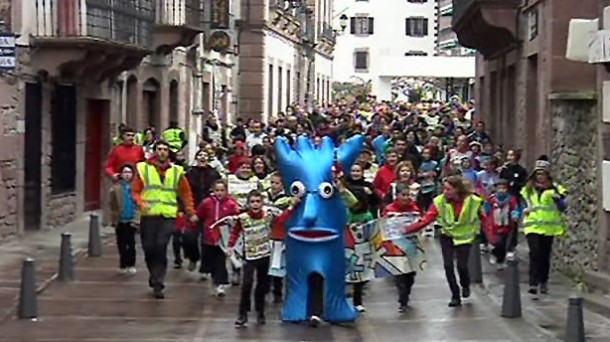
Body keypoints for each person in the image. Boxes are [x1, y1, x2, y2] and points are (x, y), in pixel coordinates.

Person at [404, 175, 483, 307]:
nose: (445, 192)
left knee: (462, 266)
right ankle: (455, 295)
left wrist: (492, 236)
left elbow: (484, 217)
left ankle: (465, 284)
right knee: (448, 266)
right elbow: (426, 220)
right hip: (447, 236)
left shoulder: (473, 201)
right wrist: (407, 229)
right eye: (444, 189)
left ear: (457, 190)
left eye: (448, 189)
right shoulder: (439, 201)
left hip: (465, 237)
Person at [132, 140, 197, 299]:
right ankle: (153, 274)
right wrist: (141, 203)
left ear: (169, 153)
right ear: (155, 151)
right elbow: (135, 191)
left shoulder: (176, 171)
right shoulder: (144, 169)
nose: (162, 152)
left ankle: (158, 282)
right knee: (149, 248)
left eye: (165, 150)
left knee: (161, 246)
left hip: (168, 215)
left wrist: (190, 211)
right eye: (159, 149)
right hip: (149, 215)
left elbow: (185, 193)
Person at [227, 190, 295, 327]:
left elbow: (282, 220)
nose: (255, 204)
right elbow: (235, 232)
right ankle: (243, 314)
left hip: (265, 255)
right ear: (248, 203)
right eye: (252, 201)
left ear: (262, 202)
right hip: (250, 256)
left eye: (258, 201)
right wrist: (230, 245)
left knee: (262, 286)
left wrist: (292, 206)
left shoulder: (268, 216)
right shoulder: (243, 218)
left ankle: (260, 312)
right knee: (246, 284)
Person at [520, 155, 567, 300]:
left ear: (548, 175)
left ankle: (543, 281)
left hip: (548, 227)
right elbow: (522, 202)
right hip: (532, 226)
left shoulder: (556, 188)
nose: (540, 177)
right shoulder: (528, 189)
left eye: (543, 173)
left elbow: (563, 206)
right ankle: (533, 283)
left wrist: (559, 200)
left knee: (544, 256)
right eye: (538, 173)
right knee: (534, 253)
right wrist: (523, 210)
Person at [382, 182, 422, 312]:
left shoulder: (414, 208)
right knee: (399, 271)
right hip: (395, 244)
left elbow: (420, 223)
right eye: (403, 195)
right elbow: (384, 225)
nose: (405, 198)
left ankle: (407, 292)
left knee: (411, 273)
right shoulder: (389, 209)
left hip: (411, 243)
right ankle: (402, 298)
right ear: (397, 195)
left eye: (408, 195)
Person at [197, 180, 240, 296]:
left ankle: (220, 284)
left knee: (220, 261)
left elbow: (236, 216)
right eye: (217, 190)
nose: (219, 193)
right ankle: (213, 279)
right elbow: (199, 215)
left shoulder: (231, 204)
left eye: (222, 190)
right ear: (213, 191)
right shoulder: (207, 203)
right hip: (209, 237)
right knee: (210, 260)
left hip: (223, 237)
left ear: (226, 191)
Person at [482, 179, 520, 270]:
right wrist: (484, 214)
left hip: (507, 225)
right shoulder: (491, 199)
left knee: (503, 245)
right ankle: (495, 254)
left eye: (504, 188)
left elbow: (515, 208)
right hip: (494, 225)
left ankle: (500, 261)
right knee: (497, 243)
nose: (502, 190)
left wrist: (515, 215)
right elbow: (485, 209)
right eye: (499, 188)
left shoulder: (511, 199)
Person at [108, 164, 139, 274]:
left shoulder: (136, 187)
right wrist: (113, 219)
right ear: (120, 174)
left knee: (130, 243)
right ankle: (123, 263)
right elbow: (111, 204)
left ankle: (131, 263)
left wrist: (137, 219)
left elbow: (138, 204)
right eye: (125, 172)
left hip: (131, 219)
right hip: (120, 220)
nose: (127, 175)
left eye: (129, 172)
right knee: (121, 243)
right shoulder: (115, 188)